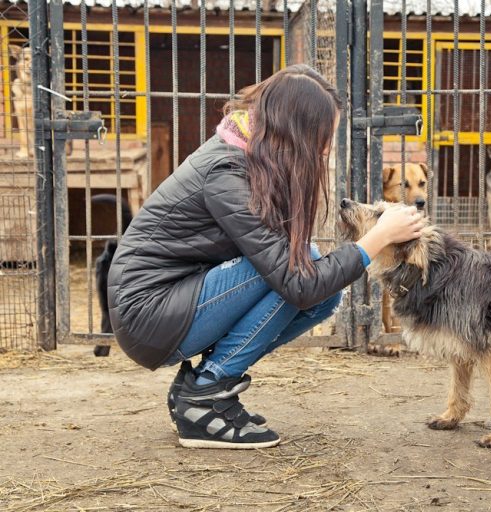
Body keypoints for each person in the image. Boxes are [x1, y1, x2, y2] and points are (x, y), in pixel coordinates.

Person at [107, 65, 424, 449]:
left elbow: (304, 284)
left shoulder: (252, 158)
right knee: (300, 269)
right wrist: (377, 239)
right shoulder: (227, 172)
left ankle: (204, 384)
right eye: (322, 136)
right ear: (294, 128)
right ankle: (204, 396)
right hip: (149, 315)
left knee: (322, 293)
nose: (325, 148)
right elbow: (297, 281)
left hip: (175, 301)